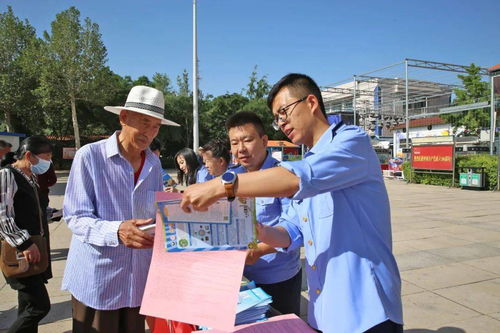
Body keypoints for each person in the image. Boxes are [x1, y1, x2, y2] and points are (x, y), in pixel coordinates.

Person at [180, 74, 403, 333]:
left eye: (284, 112)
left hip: (367, 310)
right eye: (277, 118)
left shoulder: (351, 142)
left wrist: (220, 186)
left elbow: (298, 178)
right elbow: (292, 232)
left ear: (311, 102)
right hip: (326, 309)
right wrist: (258, 231)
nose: (281, 122)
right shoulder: (311, 157)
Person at [62, 85, 180, 333]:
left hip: (138, 279)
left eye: (156, 126)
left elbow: (157, 213)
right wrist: (116, 231)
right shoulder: (90, 157)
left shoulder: (154, 163)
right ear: (124, 117)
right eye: (144, 122)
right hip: (99, 279)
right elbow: (75, 217)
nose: (150, 132)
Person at [226, 111, 302, 316]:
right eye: (234, 143)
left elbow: (294, 229)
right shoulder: (231, 178)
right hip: (242, 275)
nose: (240, 149)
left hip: (278, 278)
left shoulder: (283, 175)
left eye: (247, 140)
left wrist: (258, 251)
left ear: (264, 140)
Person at [0, 135, 53, 333]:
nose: (49, 162)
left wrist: (52, 214)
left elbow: (29, 210)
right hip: (21, 252)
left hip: (34, 250)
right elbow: (2, 215)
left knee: (27, 306)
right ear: (29, 155)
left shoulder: (29, 177)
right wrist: (24, 243)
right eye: (46, 156)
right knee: (39, 306)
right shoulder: (7, 175)